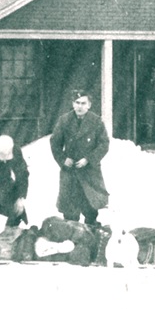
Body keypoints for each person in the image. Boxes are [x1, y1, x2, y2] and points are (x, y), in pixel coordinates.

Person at [50, 89, 110, 227]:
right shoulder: (64, 120)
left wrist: (88, 159)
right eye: (77, 103)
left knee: (90, 207)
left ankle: (91, 231)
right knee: (70, 211)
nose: (79, 106)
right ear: (73, 104)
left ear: (89, 105)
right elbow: (54, 142)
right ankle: (71, 236)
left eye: (83, 103)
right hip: (70, 170)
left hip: (89, 171)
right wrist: (63, 159)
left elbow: (104, 144)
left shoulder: (96, 121)